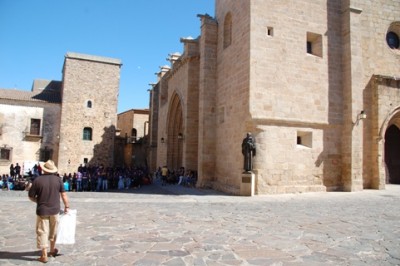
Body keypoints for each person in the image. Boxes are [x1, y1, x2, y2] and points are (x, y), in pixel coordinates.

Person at [28, 160, 70, 263]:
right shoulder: (58, 180)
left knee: (42, 231)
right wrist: (67, 206)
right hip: (55, 209)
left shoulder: (37, 180)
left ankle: (44, 254)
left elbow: (31, 196)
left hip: (42, 210)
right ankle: (52, 250)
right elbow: (63, 194)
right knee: (53, 230)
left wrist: (38, 201)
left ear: (43, 169)